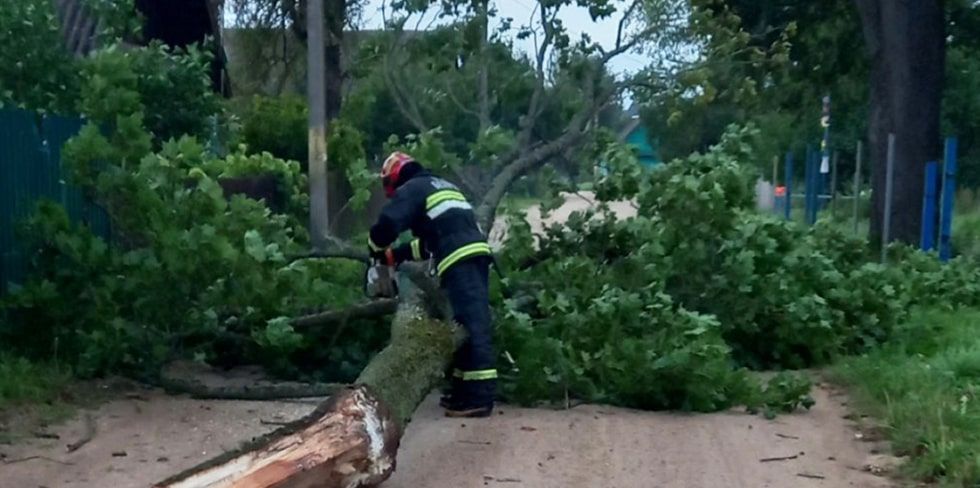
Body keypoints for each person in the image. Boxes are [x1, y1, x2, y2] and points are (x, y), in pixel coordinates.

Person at [367, 151, 497, 418]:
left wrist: (376, 247)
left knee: (473, 325)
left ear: (394, 180)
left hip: (460, 258)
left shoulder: (413, 188)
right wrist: (396, 255)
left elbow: (389, 221)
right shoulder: (439, 185)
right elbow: (430, 243)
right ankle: (462, 391)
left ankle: (479, 398)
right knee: (460, 324)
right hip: (471, 254)